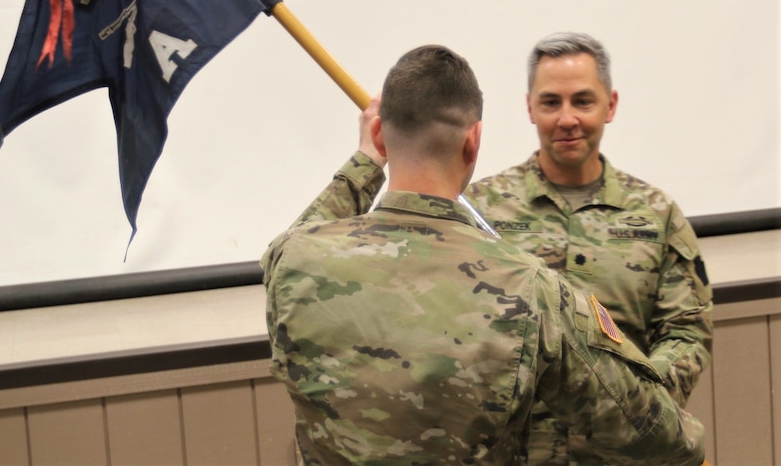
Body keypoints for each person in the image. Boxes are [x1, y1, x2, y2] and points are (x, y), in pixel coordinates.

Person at [261, 44, 705, 465]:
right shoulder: (529, 287)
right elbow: (655, 436)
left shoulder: (295, 260)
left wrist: (364, 161)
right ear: (473, 141)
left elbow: (294, 241)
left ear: (378, 132)